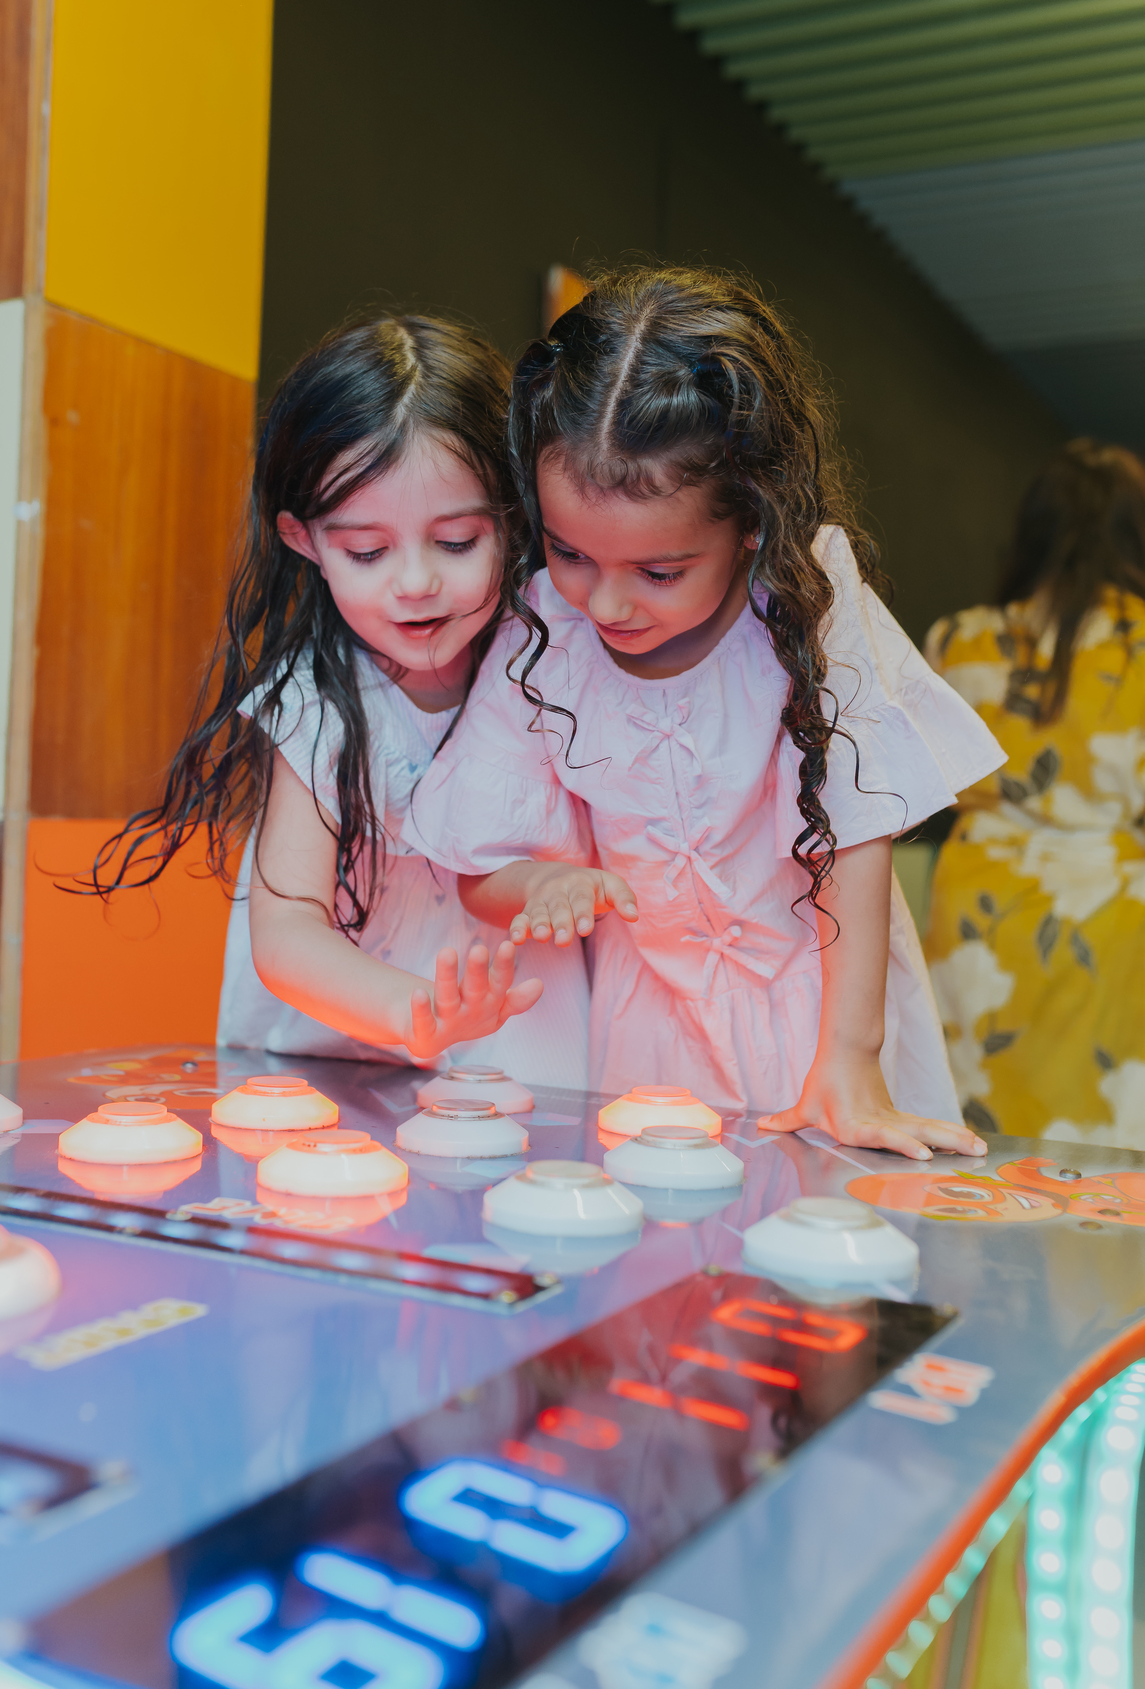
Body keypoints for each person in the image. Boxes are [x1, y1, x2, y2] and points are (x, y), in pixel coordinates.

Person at [409, 266, 1003, 1160]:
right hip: (651, 1034)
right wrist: (535, 888)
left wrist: (851, 1054)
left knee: (825, 1259)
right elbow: (474, 862)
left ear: (753, 521)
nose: (605, 604)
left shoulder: (806, 600)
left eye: (658, 572)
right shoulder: (546, 631)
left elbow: (857, 831)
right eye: (571, 552)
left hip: (827, 1009)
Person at [92, 315, 589, 1085]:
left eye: (457, 542)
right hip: (336, 1066)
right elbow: (288, 930)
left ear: (512, 519)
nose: (417, 582)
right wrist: (413, 1012)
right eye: (367, 551)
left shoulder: (549, 668)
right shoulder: (317, 704)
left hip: (512, 1049)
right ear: (304, 539)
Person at [923, 439, 1145, 1143]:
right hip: (1110, 915)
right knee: (1101, 1127)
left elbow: (921, 784)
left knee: (970, 1109)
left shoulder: (959, 639)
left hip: (976, 909)